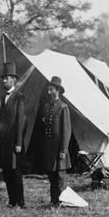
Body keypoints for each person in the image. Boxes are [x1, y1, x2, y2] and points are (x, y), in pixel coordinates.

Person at [0, 61, 27, 209]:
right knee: (6, 172)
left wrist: (19, 143)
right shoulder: (3, 98)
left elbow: (20, 122)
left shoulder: (19, 97)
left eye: (6, 78)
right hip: (4, 143)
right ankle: (11, 200)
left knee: (15, 173)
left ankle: (20, 202)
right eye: (3, 78)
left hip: (15, 143)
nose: (4, 80)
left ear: (13, 80)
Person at [39, 76, 72, 208]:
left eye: (51, 90)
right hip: (49, 148)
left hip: (59, 149)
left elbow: (66, 131)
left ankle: (63, 201)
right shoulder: (46, 107)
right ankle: (54, 201)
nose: (49, 93)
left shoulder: (63, 107)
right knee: (52, 176)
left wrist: (63, 150)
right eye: (48, 90)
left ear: (57, 90)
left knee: (60, 177)